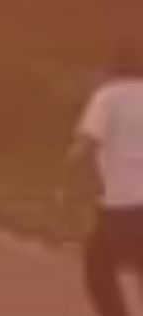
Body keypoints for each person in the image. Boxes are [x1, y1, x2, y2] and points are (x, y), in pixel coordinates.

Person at [68, 39, 143, 316]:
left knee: (98, 271)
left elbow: (85, 147)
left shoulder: (108, 97)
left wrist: (80, 183)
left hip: (119, 205)